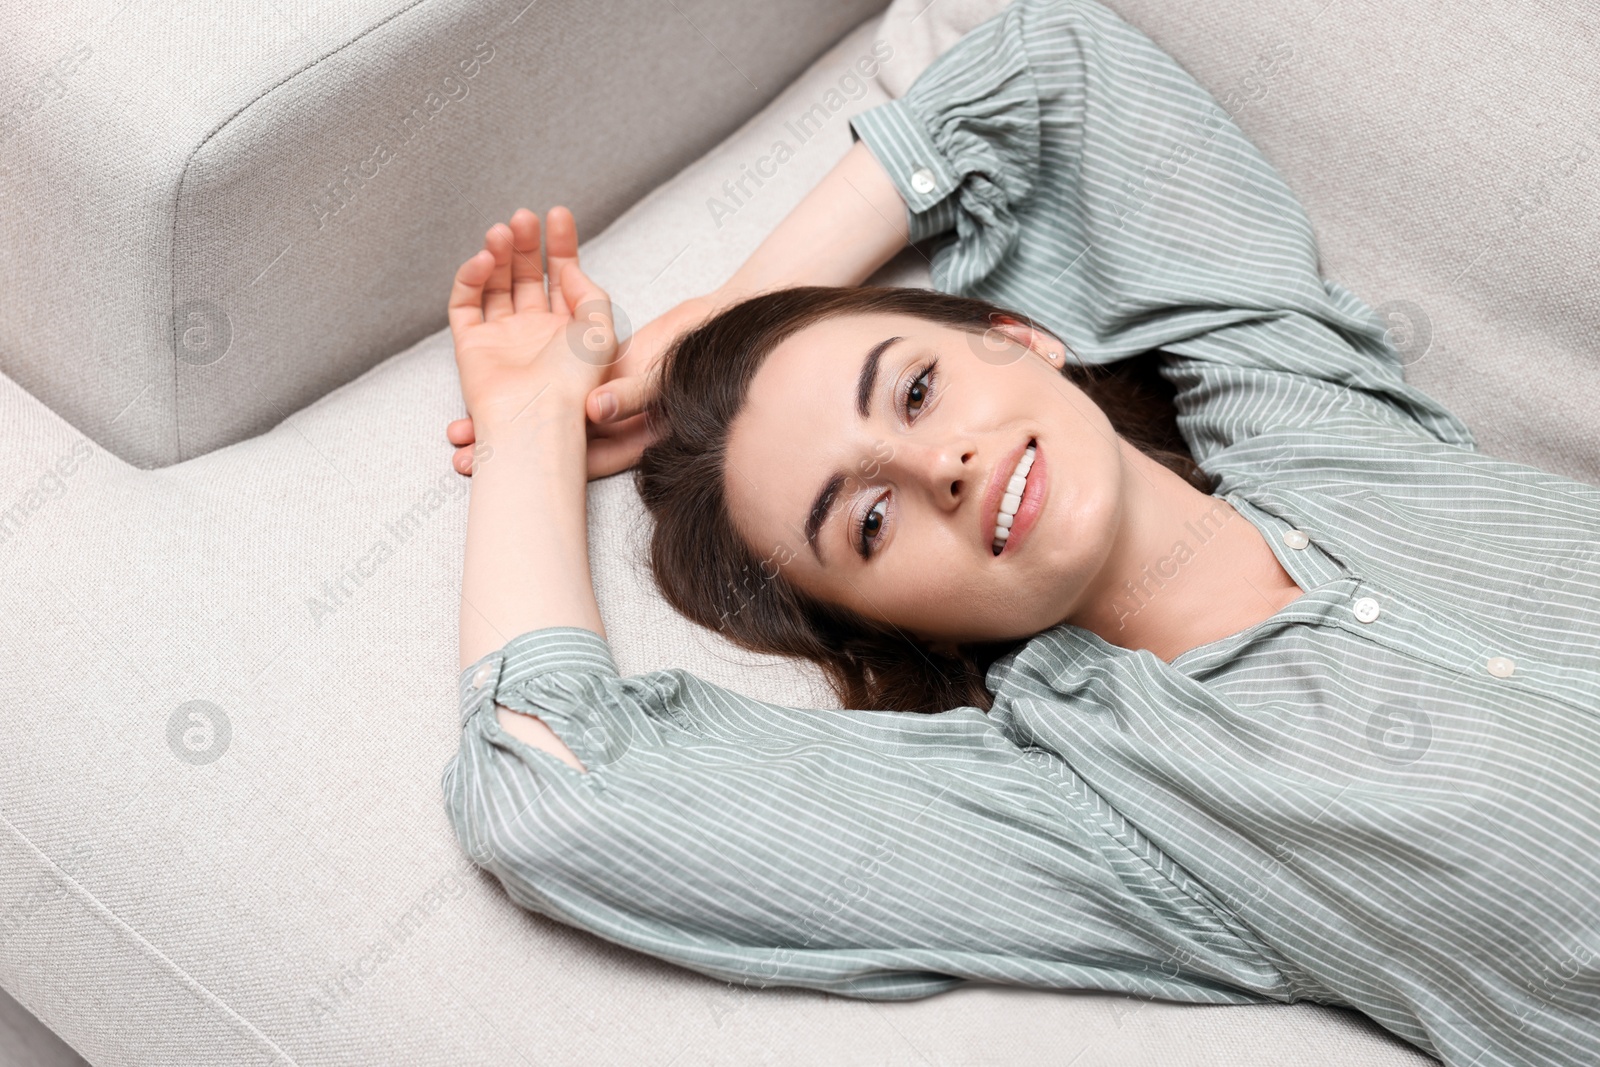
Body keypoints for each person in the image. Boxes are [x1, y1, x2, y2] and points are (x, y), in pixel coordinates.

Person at [439, 1, 1600, 1063]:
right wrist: (533, 421)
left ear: (1023, 337)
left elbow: (1056, 70)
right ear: (883, 620)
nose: (934, 465)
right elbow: (561, 791)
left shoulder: (1309, 417)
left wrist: (733, 319)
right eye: (871, 518)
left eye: (915, 390)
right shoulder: (1105, 806)